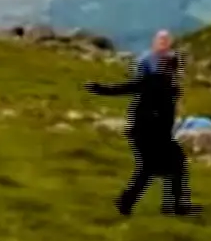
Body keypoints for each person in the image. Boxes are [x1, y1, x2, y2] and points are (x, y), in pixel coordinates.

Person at [85, 29, 201, 217]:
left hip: (153, 133)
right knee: (157, 169)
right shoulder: (158, 81)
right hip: (149, 134)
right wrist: (99, 89)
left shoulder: (163, 83)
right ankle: (132, 205)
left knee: (170, 166)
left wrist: (99, 89)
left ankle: (170, 206)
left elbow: (125, 88)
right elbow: (126, 88)